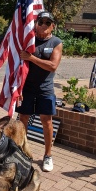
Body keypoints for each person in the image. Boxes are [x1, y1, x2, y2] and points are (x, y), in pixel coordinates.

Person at [15, 10, 63, 172]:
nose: (43, 25)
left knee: (46, 121)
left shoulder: (56, 42)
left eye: (47, 23)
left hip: (45, 88)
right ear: (35, 24)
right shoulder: (29, 40)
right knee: (23, 119)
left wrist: (31, 58)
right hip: (27, 88)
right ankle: (22, 152)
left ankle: (48, 155)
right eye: (40, 22)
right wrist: (18, 87)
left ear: (52, 26)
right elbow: (18, 63)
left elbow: (53, 66)